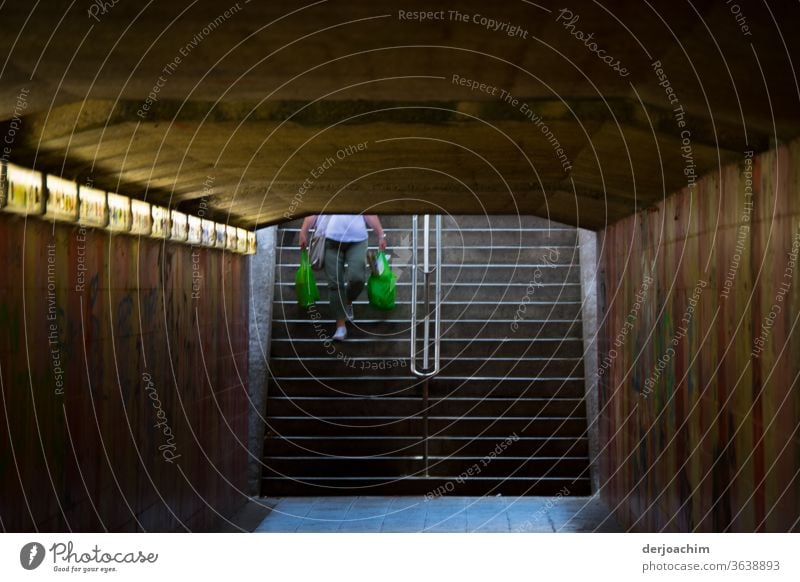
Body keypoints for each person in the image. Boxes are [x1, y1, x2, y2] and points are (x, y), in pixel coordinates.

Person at [299, 214, 387, 340]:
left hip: (358, 240)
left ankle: (348, 301)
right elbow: (314, 211)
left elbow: (369, 212)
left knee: (358, 279)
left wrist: (381, 235)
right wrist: (303, 231)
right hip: (330, 240)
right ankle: (340, 326)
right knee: (335, 284)